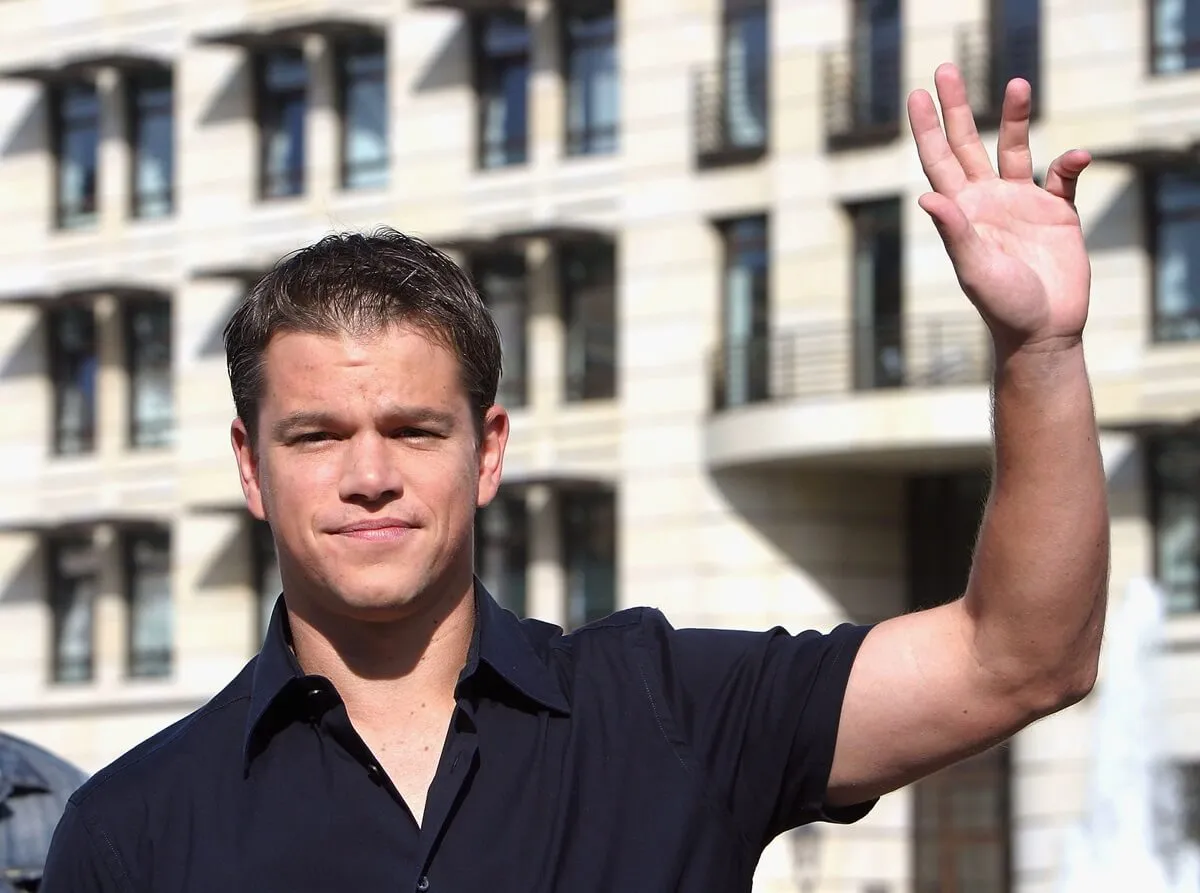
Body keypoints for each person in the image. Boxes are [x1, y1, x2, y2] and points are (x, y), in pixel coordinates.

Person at [39, 63, 1108, 892]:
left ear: (488, 449)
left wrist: (1043, 355)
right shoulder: (134, 827)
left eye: (413, 428)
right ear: (250, 465)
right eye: (316, 435)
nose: (369, 474)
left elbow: (1020, 657)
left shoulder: (670, 711)